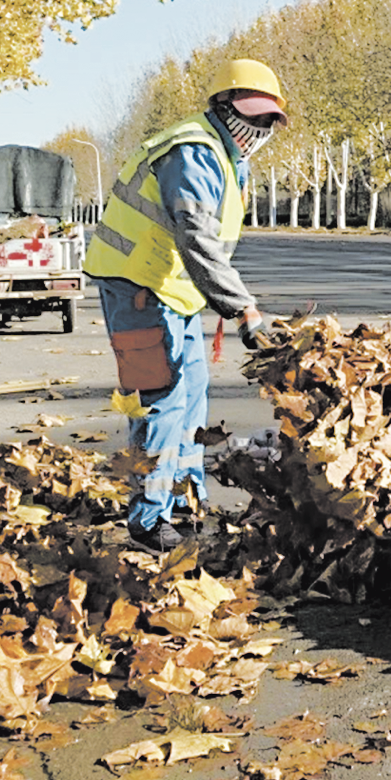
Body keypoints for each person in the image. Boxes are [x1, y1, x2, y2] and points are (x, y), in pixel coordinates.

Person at [84, 58, 287, 550]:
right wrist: (243, 311)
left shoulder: (222, 153)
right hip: (139, 288)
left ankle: (183, 501)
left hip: (170, 293)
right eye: (252, 116)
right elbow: (197, 237)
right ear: (222, 106)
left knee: (192, 394)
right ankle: (149, 521)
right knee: (161, 402)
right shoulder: (193, 151)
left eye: (268, 120)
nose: (259, 128)